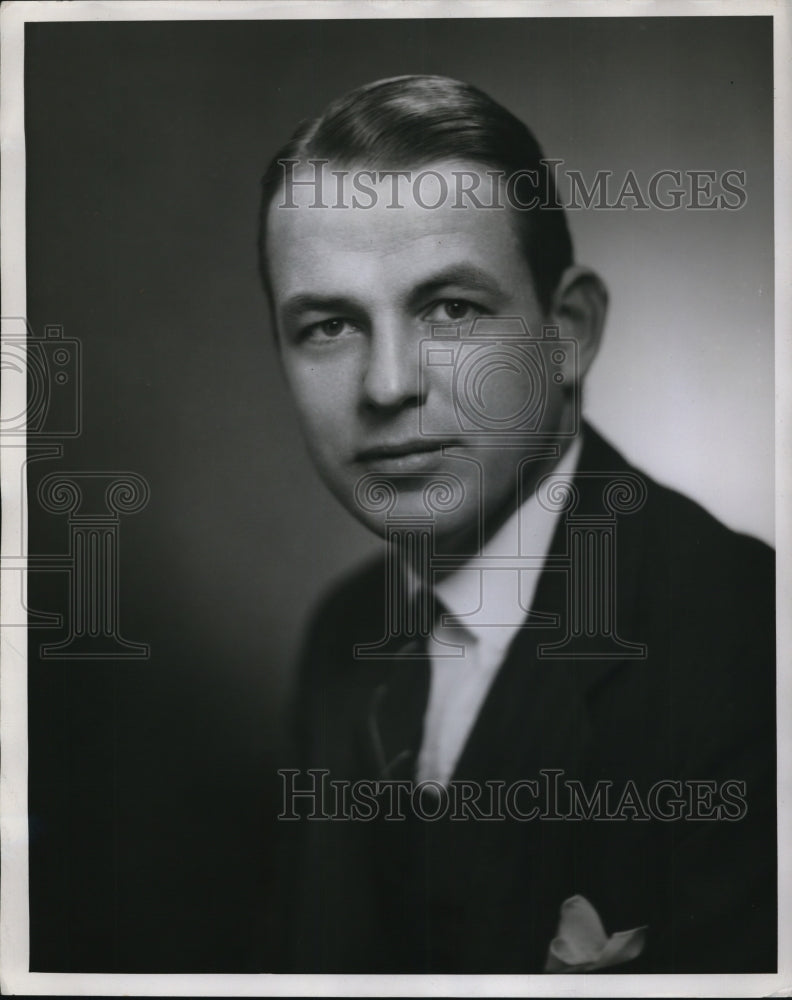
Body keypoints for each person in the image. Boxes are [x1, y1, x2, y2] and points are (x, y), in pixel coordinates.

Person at [258, 75, 775, 974]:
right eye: (331, 324)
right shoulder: (344, 634)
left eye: (451, 309)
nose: (388, 385)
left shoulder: (752, 639)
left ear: (567, 332)